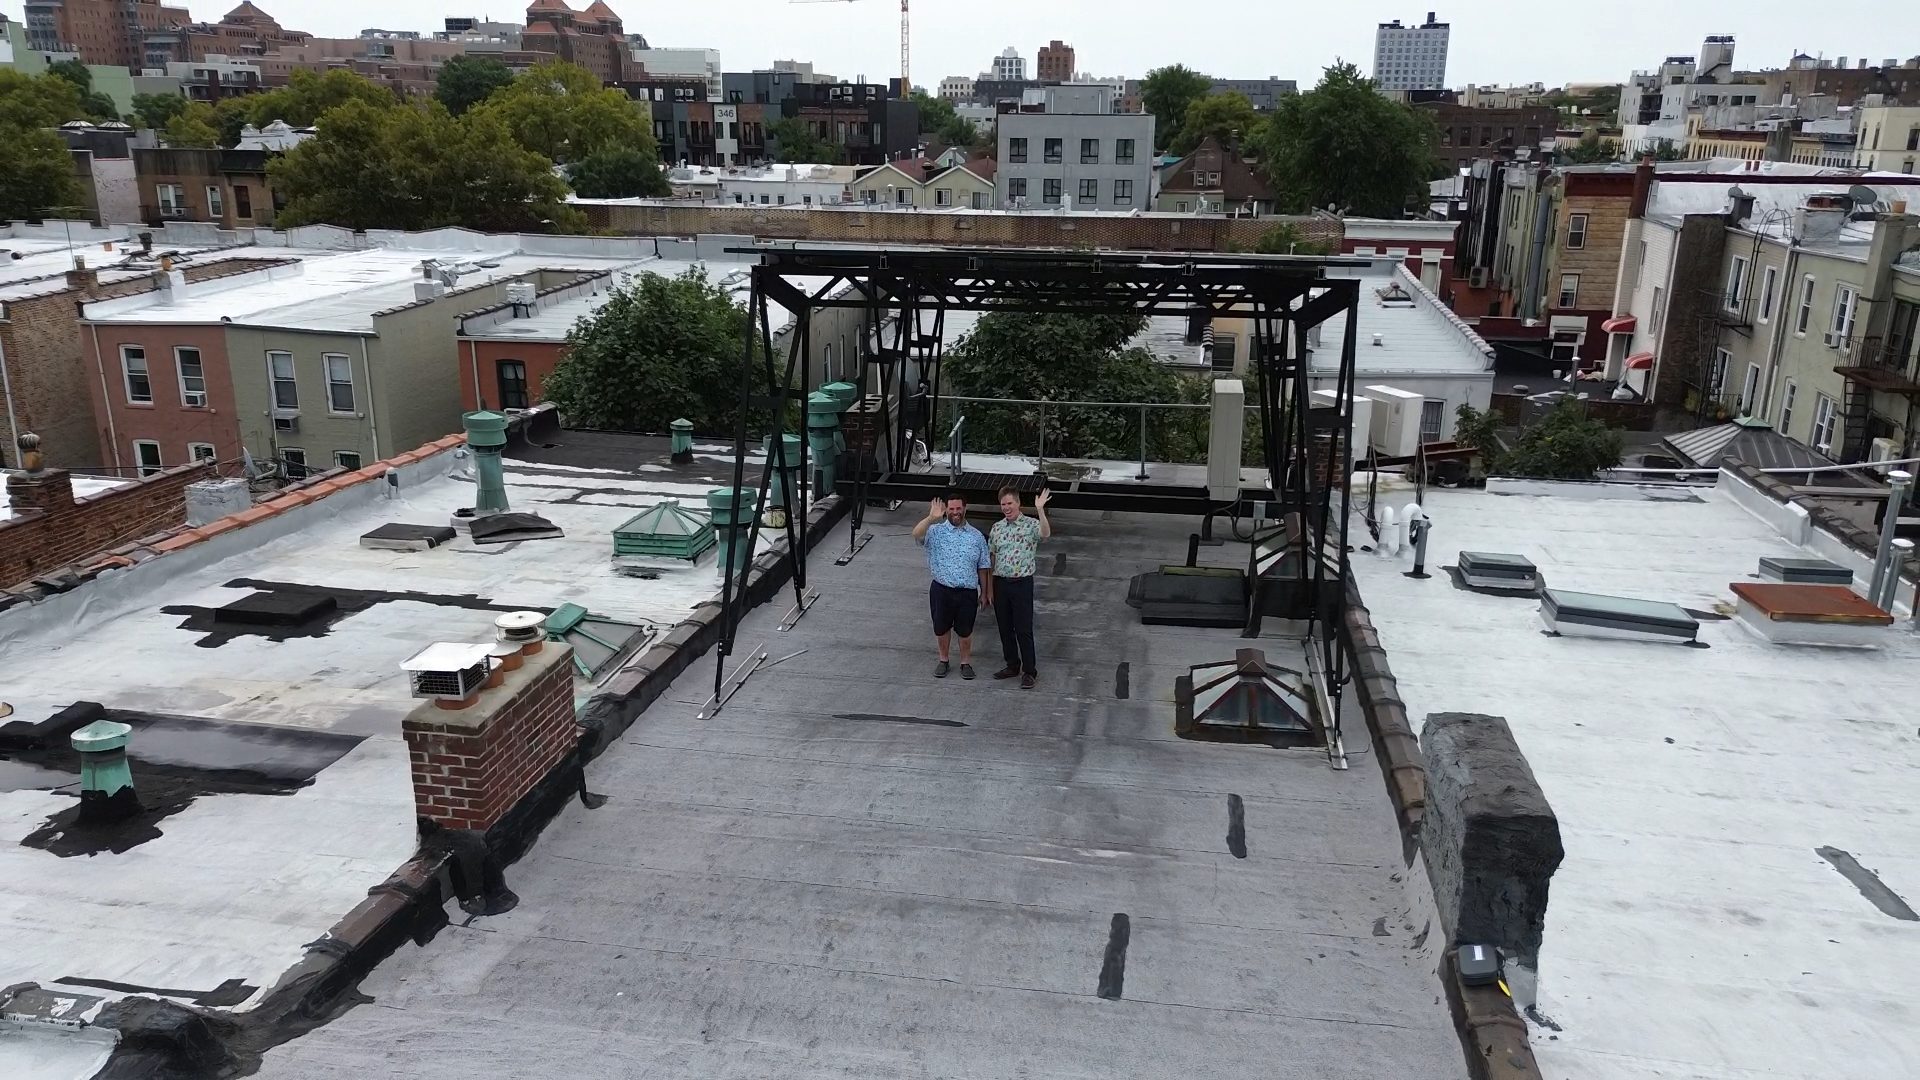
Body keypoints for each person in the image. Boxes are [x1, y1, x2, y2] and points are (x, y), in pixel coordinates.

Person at [913, 492, 992, 679]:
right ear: (946, 510)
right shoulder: (935, 531)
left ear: (965, 508)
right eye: (951, 509)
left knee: (965, 631)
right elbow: (916, 534)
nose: (955, 512)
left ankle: (965, 663)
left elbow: (983, 566)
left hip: (967, 591)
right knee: (941, 628)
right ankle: (944, 660)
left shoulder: (977, 536)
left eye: (958, 508)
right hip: (941, 589)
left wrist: (984, 592)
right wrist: (931, 518)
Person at [988, 486, 1050, 689]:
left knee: (1023, 629)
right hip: (1001, 582)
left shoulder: (1031, 524)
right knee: (1005, 627)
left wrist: (1040, 510)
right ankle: (1012, 664)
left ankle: (1029, 671)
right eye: (1003, 504)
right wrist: (988, 588)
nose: (1006, 507)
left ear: (1018, 503)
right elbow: (992, 556)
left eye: (1010, 503)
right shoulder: (997, 528)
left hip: (1022, 583)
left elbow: (1045, 534)